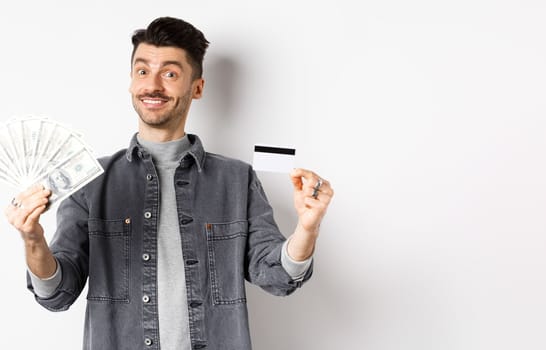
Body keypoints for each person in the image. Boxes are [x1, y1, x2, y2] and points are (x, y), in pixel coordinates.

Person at [3, 16, 333, 350]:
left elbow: (276, 276)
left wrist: (307, 227)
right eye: (143, 71)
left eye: (170, 73)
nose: (153, 85)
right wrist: (33, 239)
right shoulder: (91, 180)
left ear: (198, 87)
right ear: (131, 82)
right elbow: (57, 293)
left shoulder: (237, 179)